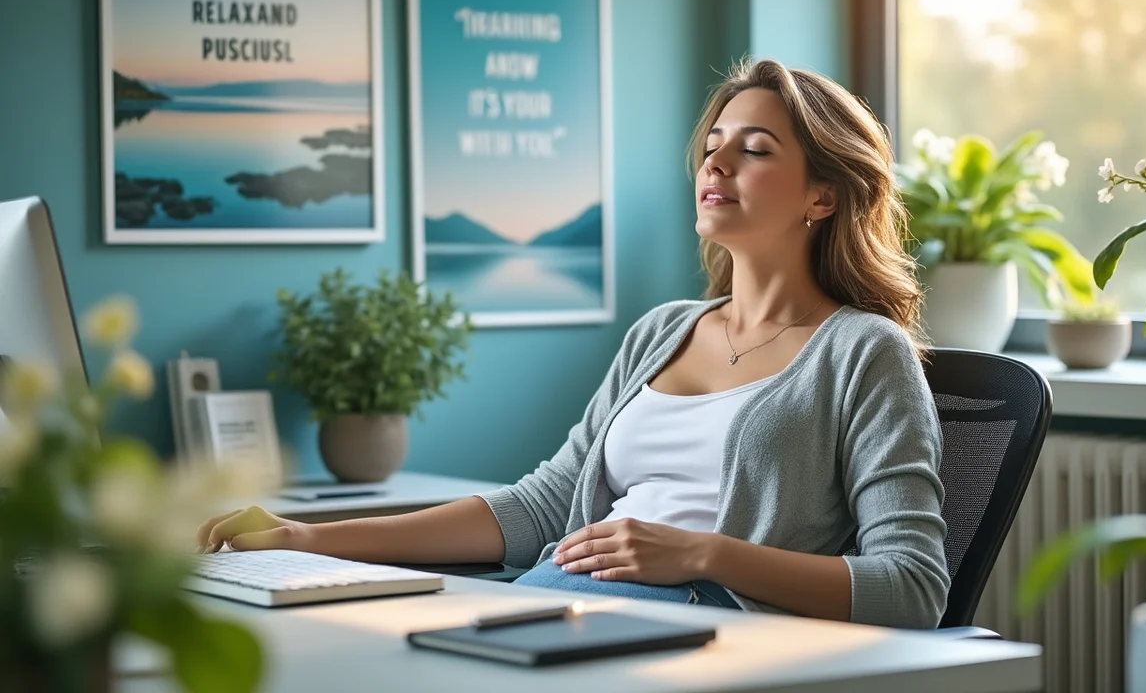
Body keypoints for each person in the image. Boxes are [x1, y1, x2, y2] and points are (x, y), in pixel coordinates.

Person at [195, 57, 950, 629]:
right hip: (570, 606)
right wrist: (309, 538)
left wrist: (700, 552)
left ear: (824, 194)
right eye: (713, 145)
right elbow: (541, 507)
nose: (715, 164)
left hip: (703, 631)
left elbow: (912, 586)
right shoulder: (663, 331)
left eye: (754, 150)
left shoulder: (863, 352)